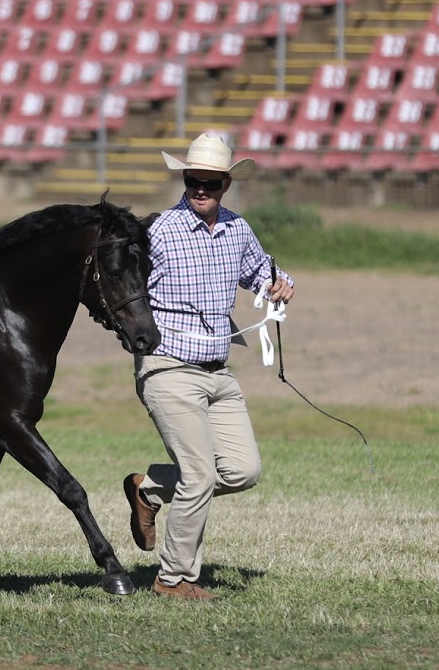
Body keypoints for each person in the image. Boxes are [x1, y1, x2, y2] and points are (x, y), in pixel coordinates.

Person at [123, 133, 295, 601]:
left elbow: (262, 271)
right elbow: (119, 288)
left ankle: (150, 489)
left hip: (219, 371)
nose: (201, 188)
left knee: (242, 470)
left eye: (211, 182)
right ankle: (174, 579)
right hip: (168, 367)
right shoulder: (156, 232)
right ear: (184, 178)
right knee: (199, 475)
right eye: (193, 179)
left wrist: (280, 285)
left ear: (226, 184)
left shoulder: (238, 230)